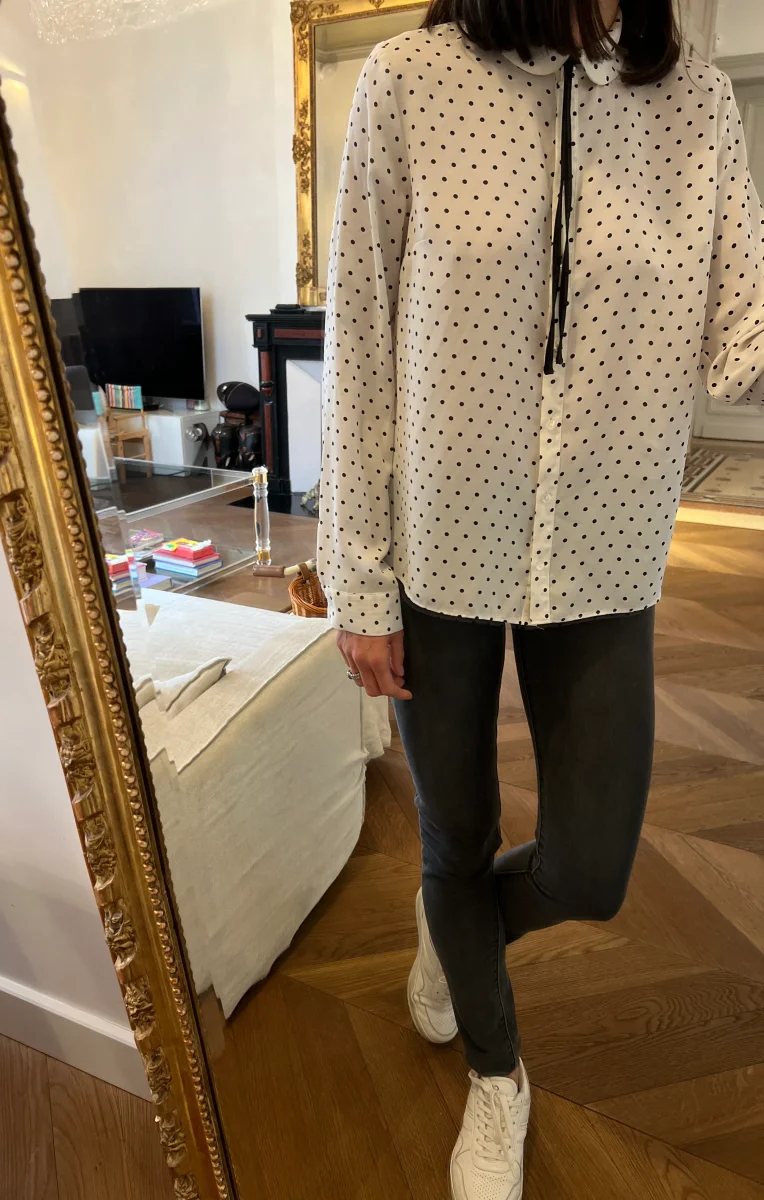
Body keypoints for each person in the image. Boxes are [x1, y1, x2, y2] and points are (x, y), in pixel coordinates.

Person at [316, 1, 764, 1196]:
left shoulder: (695, 103)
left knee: (590, 868)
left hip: (607, 543)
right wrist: (358, 576)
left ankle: (456, 931)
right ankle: (496, 1072)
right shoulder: (409, 81)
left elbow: (740, 336)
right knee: (454, 835)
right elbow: (358, 341)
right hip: (437, 546)